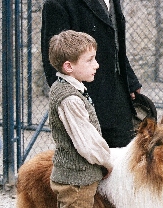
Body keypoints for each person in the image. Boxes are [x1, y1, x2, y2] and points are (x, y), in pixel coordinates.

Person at [41, 0, 142, 148]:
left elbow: (115, 44)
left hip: (117, 98)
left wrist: (131, 81)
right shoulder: (60, 0)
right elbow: (53, 64)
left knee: (121, 168)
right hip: (86, 104)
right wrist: (73, 105)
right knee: (91, 172)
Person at [48, 30, 112, 207]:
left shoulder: (65, 87)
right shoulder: (70, 99)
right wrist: (107, 162)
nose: (96, 65)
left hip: (77, 179)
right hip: (76, 182)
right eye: (90, 60)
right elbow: (87, 142)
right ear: (69, 67)